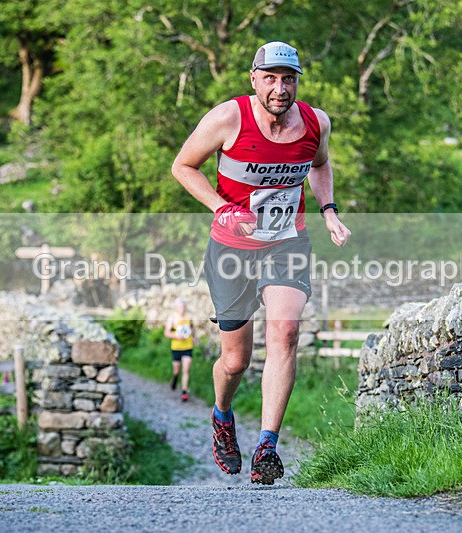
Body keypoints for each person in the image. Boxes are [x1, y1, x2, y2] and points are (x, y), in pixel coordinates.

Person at [171, 41, 351, 484]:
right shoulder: (227, 118)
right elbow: (183, 166)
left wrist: (328, 211)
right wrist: (222, 208)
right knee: (235, 361)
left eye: (288, 79)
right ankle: (222, 414)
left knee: (285, 333)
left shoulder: (316, 123)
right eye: (270, 78)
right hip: (232, 249)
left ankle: (267, 446)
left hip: (287, 242)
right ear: (254, 79)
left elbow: (320, 166)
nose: (279, 88)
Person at [164, 298, 193, 402]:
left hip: (188, 347)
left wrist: (194, 337)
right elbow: (166, 333)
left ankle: (184, 392)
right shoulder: (172, 318)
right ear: (176, 307)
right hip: (176, 348)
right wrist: (176, 336)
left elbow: (192, 329)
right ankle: (175, 378)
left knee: (186, 370)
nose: (182, 308)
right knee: (176, 370)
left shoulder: (189, 317)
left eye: (184, 306)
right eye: (180, 306)